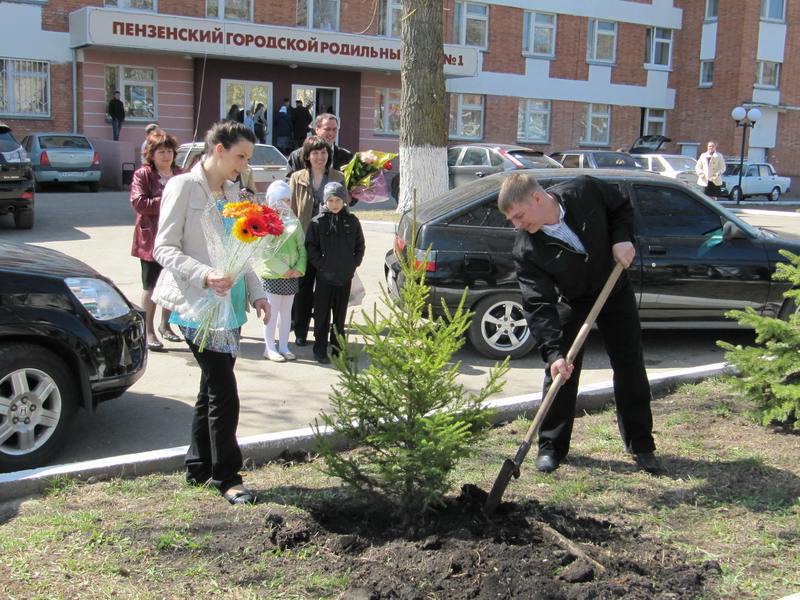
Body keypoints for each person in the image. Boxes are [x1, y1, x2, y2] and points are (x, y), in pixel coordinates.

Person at [497, 173, 662, 475]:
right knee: (561, 371)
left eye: (519, 216)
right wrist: (553, 353)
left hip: (613, 288)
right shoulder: (526, 248)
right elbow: (537, 303)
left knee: (630, 365)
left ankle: (641, 445)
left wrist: (621, 238)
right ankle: (551, 447)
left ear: (537, 198)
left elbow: (620, 207)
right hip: (573, 299)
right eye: (512, 220)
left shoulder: (584, 190)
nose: (517, 224)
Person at [153, 121, 271, 505]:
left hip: (231, 307)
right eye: (241, 156)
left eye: (248, 158)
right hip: (195, 305)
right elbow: (164, 248)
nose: (244, 164)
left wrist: (257, 294)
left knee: (210, 385)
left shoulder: (234, 191)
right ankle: (228, 477)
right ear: (218, 149)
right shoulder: (183, 187)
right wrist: (205, 275)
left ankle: (198, 465)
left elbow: (243, 250)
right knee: (224, 388)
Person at [130, 128, 183, 352]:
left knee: (172, 284)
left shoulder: (181, 174)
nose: (166, 155)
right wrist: (168, 198)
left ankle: (166, 325)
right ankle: (148, 330)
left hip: (176, 237)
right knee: (151, 286)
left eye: (169, 151)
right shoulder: (143, 175)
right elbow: (139, 203)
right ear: (151, 154)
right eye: (161, 151)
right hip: (151, 238)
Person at [289, 136, 346, 347]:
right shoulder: (297, 177)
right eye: (315, 152)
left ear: (328, 155)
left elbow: (344, 208)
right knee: (303, 288)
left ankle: (323, 335)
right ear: (307, 155)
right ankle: (301, 330)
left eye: (323, 152)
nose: (319, 157)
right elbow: (292, 209)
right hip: (304, 239)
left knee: (325, 290)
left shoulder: (338, 176)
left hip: (329, 242)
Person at [305, 181, 365, 364]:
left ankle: (338, 347)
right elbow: (311, 247)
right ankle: (320, 348)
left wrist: (353, 264)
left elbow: (359, 245)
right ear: (325, 202)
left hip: (344, 276)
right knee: (322, 315)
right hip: (325, 277)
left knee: (339, 315)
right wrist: (321, 265)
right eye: (330, 200)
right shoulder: (317, 222)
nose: (334, 204)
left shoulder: (352, 221)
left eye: (338, 199)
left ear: (344, 201)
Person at [258, 180, 306, 362]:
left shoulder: (295, 222)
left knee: (287, 312)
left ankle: (284, 345)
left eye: (288, 200)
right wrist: (284, 269)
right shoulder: (266, 223)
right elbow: (265, 251)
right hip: (273, 276)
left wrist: (299, 268)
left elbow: (302, 247)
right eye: (281, 200)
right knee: (272, 311)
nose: (286, 204)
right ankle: (269, 347)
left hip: (291, 276)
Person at [286, 113, 353, 177]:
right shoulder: (297, 156)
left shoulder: (346, 157)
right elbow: (290, 184)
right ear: (317, 130)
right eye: (327, 129)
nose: (331, 133)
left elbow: (353, 184)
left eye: (334, 129)